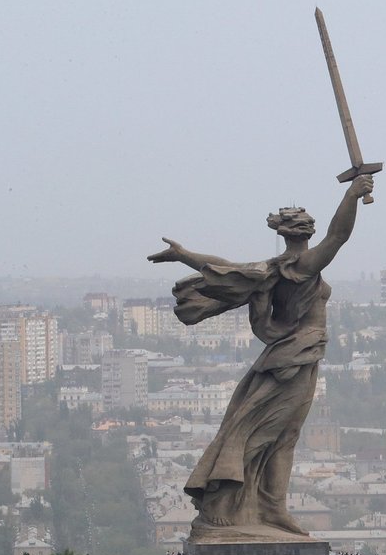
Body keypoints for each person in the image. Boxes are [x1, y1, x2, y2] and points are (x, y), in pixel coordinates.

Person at [148, 175, 374, 535]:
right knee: (260, 432)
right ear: (305, 233)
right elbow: (338, 237)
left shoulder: (274, 268)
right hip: (292, 359)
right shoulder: (301, 267)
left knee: (284, 435)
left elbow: (224, 268)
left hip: (299, 357)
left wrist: (184, 255)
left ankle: (272, 509)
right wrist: (351, 195)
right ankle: (223, 503)